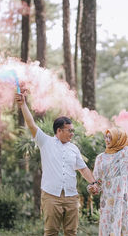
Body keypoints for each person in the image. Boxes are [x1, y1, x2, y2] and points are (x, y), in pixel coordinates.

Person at [15, 93, 97, 236]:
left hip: (71, 196)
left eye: (72, 130)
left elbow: (83, 170)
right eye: (69, 130)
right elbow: (31, 124)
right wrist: (23, 105)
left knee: (71, 232)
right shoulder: (45, 142)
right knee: (51, 232)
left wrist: (94, 182)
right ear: (59, 131)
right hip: (51, 196)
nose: (72, 133)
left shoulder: (74, 148)